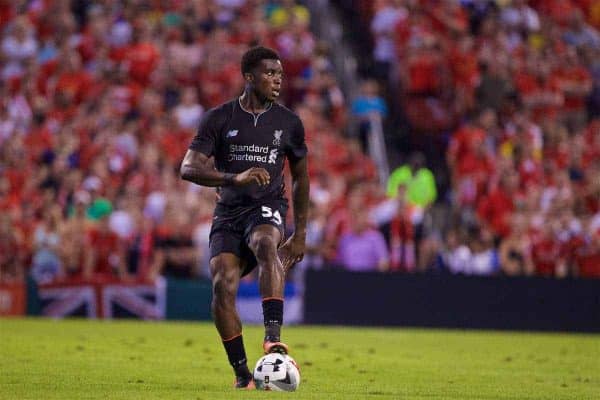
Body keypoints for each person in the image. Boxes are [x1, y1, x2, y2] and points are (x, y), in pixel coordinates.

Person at [180, 46, 309, 389]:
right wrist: (231, 179)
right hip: (228, 212)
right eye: (270, 73)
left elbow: (301, 177)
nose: (277, 80)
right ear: (249, 77)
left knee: (266, 242)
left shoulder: (289, 123)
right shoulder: (219, 118)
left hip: (267, 206)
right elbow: (188, 167)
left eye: (280, 74)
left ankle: (273, 339)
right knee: (222, 284)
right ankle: (242, 374)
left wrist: (300, 234)